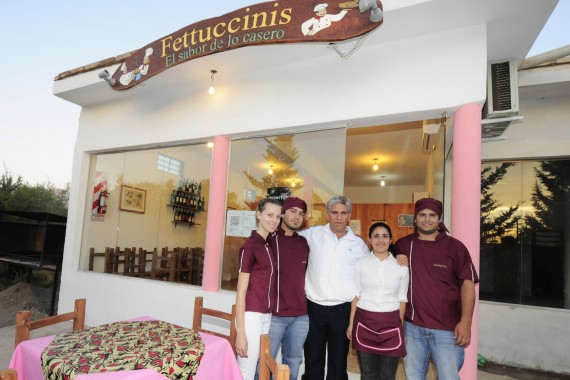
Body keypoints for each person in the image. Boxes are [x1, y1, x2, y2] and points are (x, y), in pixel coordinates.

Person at [394, 197, 479, 380]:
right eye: (422, 215)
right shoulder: (403, 245)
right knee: (413, 377)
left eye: (432, 215)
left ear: (439, 218)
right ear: (415, 218)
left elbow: (468, 284)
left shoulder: (456, 247)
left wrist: (465, 322)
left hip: (447, 330)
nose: (427, 219)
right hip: (412, 327)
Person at [300, 195, 370, 380]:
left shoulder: (359, 244)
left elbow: (370, 271)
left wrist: (400, 258)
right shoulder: (311, 235)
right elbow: (287, 241)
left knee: (338, 362)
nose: (339, 217)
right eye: (334, 213)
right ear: (327, 214)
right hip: (313, 307)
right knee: (312, 357)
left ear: (349, 216)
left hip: (342, 310)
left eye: (343, 213)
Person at [347, 222, 409, 380]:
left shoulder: (401, 266)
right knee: (368, 375)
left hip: (391, 324)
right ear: (369, 240)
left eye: (384, 236)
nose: (380, 240)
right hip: (364, 322)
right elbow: (356, 295)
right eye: (376, 236)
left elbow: (402, 299)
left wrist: (400, 327)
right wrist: (351, 324)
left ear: (391, 240)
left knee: (388, 376)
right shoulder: (361, 264)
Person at [236, 197, 282, 380]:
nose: (274, 220)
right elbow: (240, 291)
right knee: (246, 370)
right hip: (251, 315)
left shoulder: (268, 244)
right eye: (270, 215)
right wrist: (241, 333)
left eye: (278, 216)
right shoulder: (250, 245)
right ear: (258, 214)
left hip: (266, 315)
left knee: (260, 367)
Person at [266, 196, 311, 380]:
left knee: (293, 360)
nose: (296, 217)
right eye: (292, 211)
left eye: (301, 213)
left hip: (301, 315)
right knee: (265, 362)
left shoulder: (304, 243)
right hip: (274, 315)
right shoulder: (268, 240)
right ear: (283, 213)